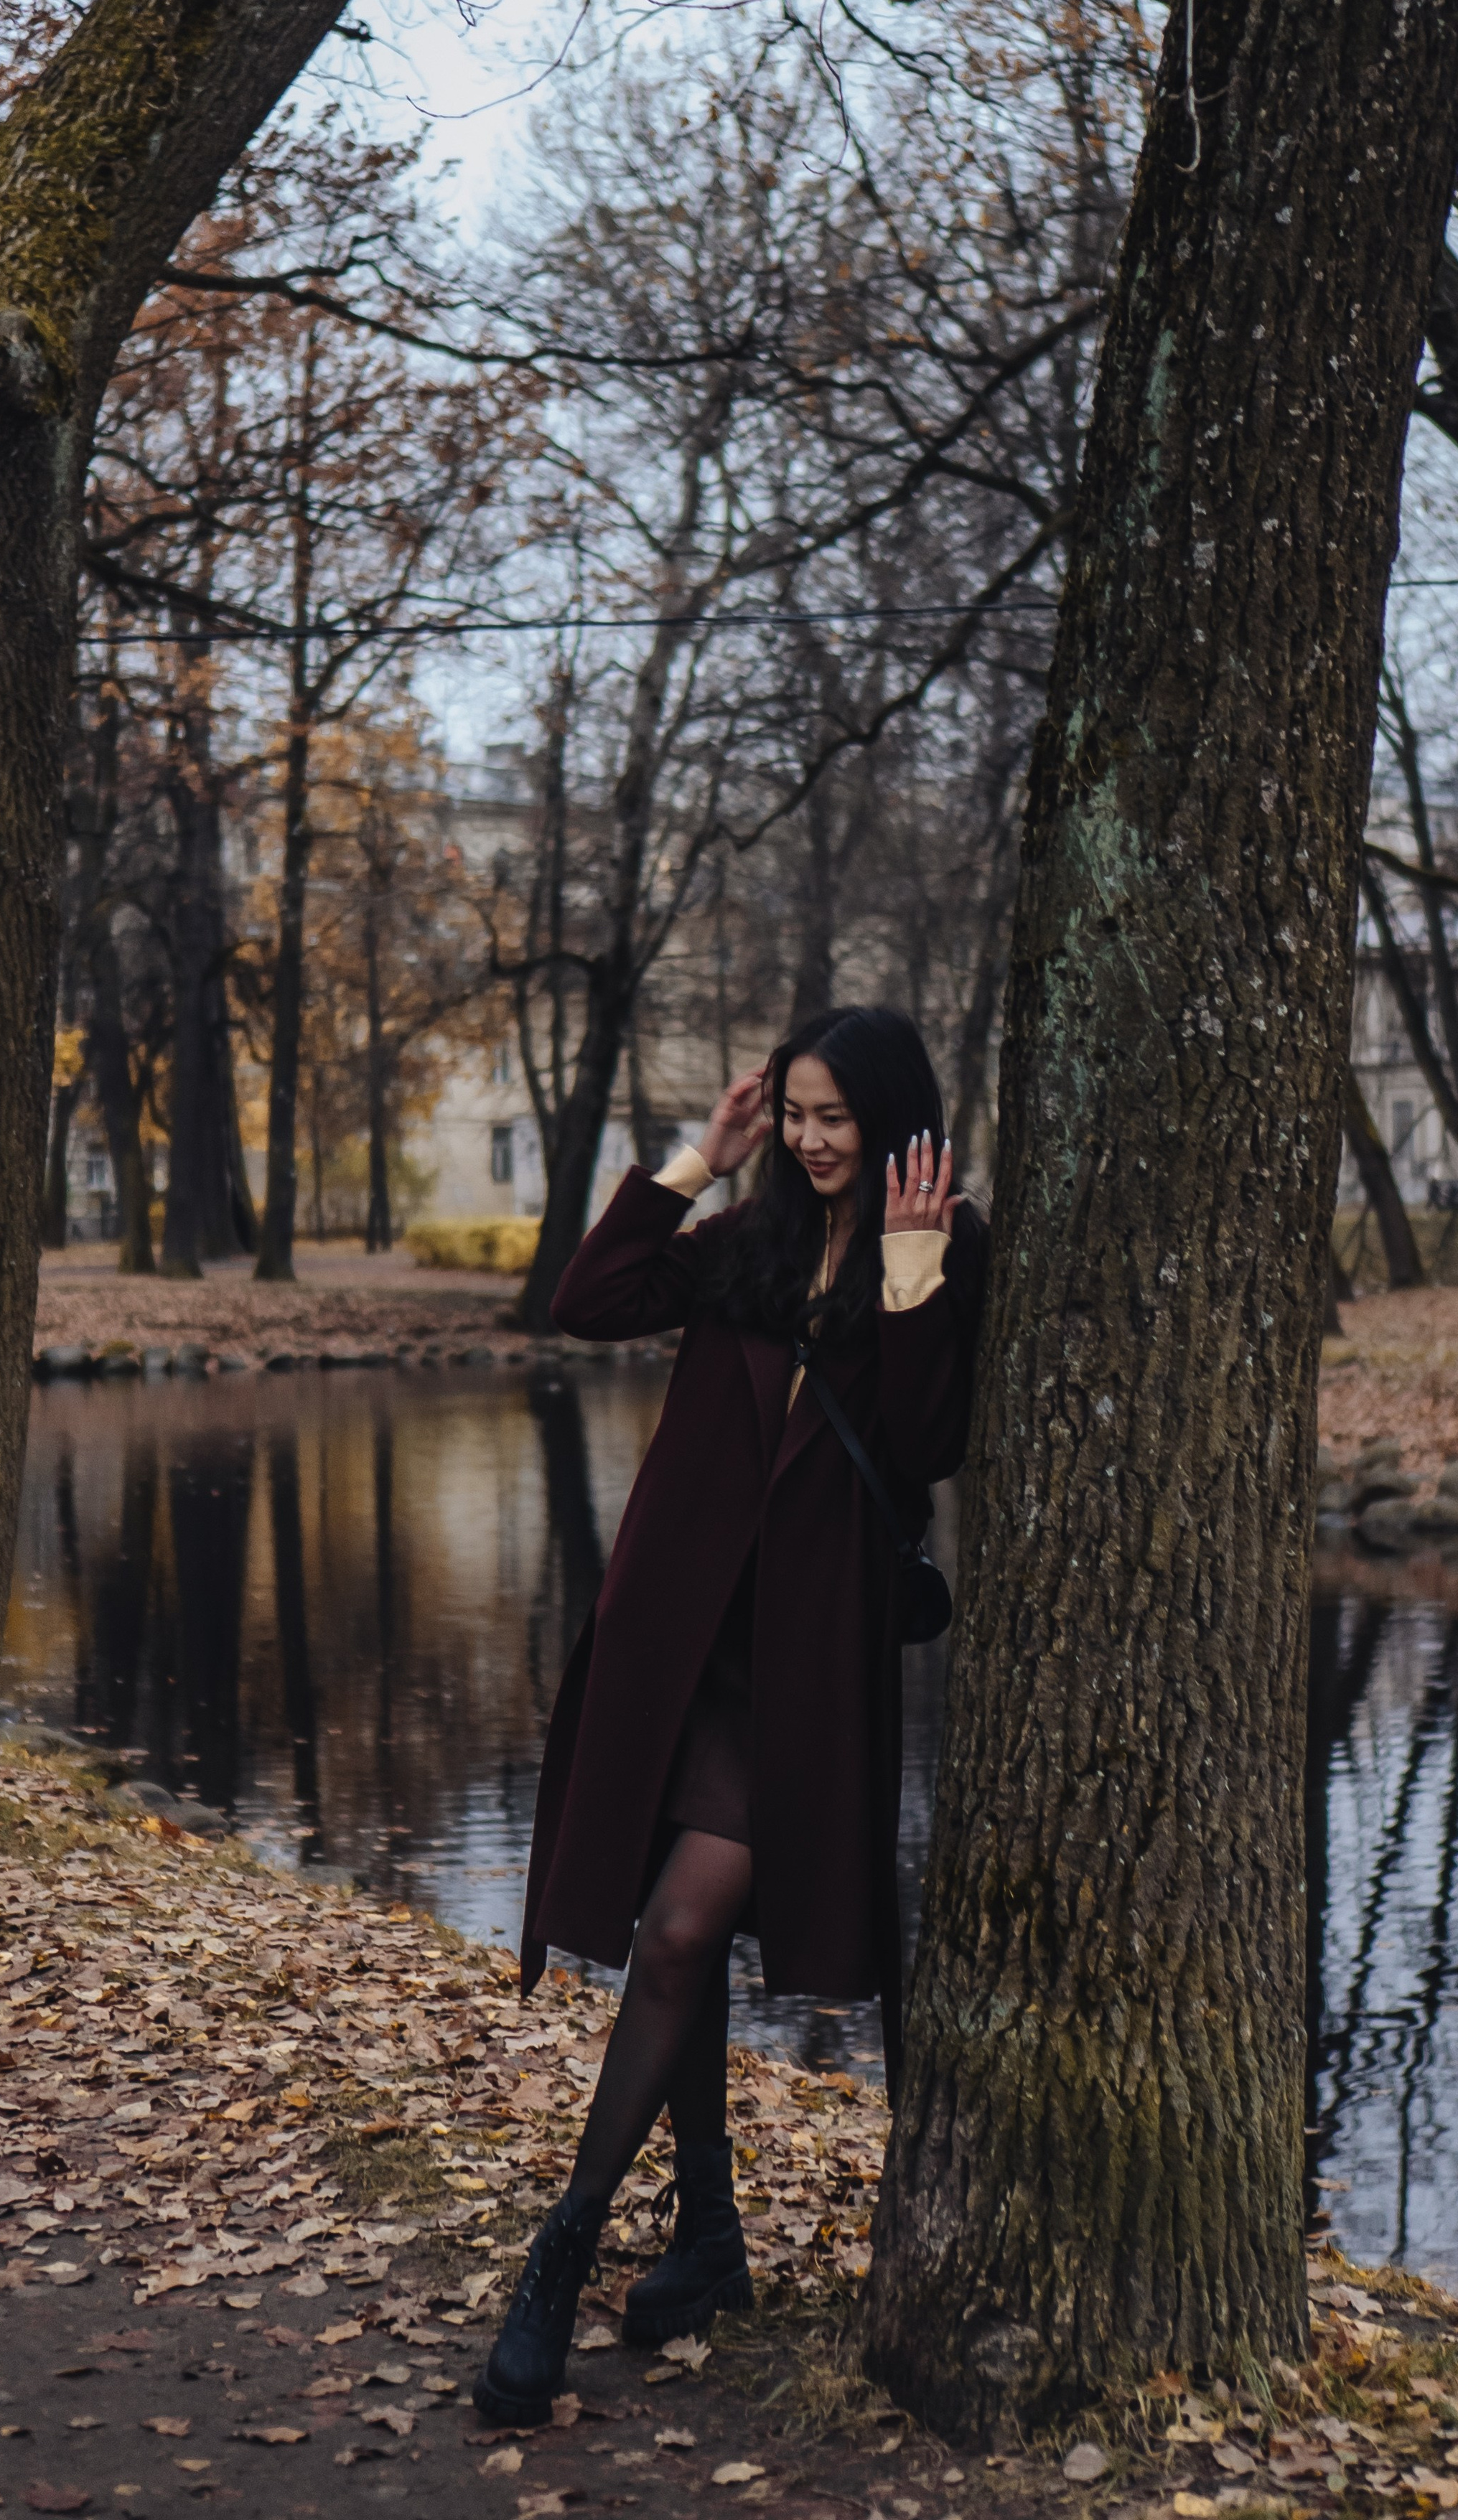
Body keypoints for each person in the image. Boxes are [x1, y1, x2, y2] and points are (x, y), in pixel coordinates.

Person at [473, 1006, 986, 2425]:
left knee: (687, 1926)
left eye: (838, 1117)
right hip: (679, 1643)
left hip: (802, 1665)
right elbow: (587, 1296)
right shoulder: (743, 1245)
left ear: (889, 1119)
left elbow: (932, 1438)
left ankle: (561, 2250)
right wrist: (697, 1159)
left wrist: (914, 1269)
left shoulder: (935, 1247)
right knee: (664, 1932)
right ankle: (704, 2237)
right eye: (799, 1116)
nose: (818, 1142)